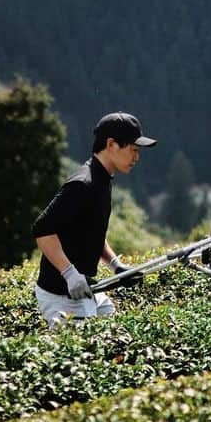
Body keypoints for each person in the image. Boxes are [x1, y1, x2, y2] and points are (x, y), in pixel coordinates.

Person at [32, 110, 156, 326]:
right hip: (63, 297)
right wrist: (69, 273)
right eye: (133, 150)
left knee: (115, 333)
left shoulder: (103, 179)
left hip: (87, 291)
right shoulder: (82, 184)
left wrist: (116, 266)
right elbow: (42, 230)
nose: (137, 157)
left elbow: (92, 233)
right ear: (111, 144)